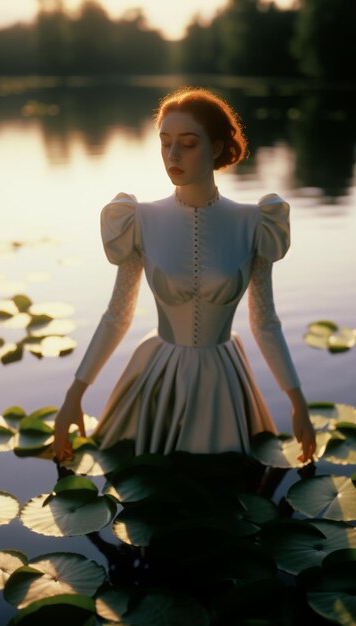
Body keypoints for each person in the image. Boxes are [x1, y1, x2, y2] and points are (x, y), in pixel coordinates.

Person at [54, 87, 316, 463]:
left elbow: (265, 321)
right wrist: (72, 397)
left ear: (217, 148)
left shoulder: (254, 222)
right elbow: (117, 315)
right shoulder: (138, 219)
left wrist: (297, 402)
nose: (172, 155)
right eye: (165, 143)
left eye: (188, 143)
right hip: (157, 378)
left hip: (224, 381)